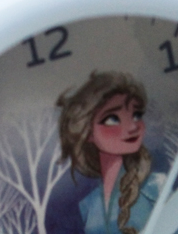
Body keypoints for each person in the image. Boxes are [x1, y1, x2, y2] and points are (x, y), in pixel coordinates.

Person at [57, 71, 163, 234]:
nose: (133, 126)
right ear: (87, 132)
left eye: (136, 115)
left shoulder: (156, 187)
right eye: (113, 119)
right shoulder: (88, 205)